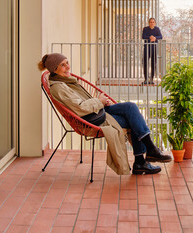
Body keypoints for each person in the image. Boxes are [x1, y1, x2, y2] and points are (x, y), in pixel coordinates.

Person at [39, 52, 171, 175]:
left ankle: (147, 155)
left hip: (97, 111)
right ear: (54, 69)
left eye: (67, 62)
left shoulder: (67, 81)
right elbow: (79, 107)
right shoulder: (58, 87)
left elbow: (83, 102)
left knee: (131, 108)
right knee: (133, 120)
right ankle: (143, 159)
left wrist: (101, 102)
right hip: (91, 119)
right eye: (63, 65)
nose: (68, 66)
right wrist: (99, 102)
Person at [141, 17, 162, 84]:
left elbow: (160, 37)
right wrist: (150, 37)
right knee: (145, 63)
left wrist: (155, 38)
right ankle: (146, 79)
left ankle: (151, 79)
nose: (152, 23)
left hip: (154, 48)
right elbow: (143, 36)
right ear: (149, 23)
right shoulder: (145, 29)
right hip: (147, 48)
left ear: (155, 23)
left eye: (153, 22)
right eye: (151, 22)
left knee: (153, 64)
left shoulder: (157, 29)